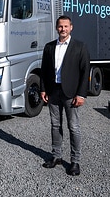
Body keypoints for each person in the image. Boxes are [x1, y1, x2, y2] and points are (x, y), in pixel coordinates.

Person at [40, 15, 90, 176]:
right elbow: (44, 70)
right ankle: (57, 156)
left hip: (71, 93)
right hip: (53, 92)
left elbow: (85, 72)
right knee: (55, 126)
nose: (63, 29)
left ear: (71, 27)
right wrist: (43, 89)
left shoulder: (80, 47)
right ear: (56, 27)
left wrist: (81, 94)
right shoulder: (49, 47)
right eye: (60, 26)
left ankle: (75, 161)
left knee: (73, 127)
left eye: (66, 26)